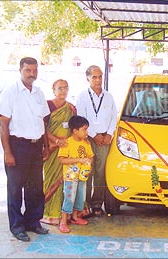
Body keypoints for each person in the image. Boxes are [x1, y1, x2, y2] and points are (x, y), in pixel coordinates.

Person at [0, 57, 50, 242]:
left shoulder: (38, 92)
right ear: (20, 70)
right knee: (15, 189)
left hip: (36, 146)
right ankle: (17, 226)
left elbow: (43, 120)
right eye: (28, 70)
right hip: (17, 146)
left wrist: (46, 145)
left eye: (35, 70)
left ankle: (33, 222)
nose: (32, 74)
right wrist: (7, 152)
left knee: (35, 187)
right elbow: (4, 124)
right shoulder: (10, 92)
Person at [76, 65, 117, 217]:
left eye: (100, 76)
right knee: (87, 172)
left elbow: (114, 116)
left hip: (105, 139)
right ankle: (84, 205)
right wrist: (94, 135)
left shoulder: (109, 96)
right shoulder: (82, 96)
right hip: (88, 139)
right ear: (88, 78)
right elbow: (81, 118)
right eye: (94, 77)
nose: (98, 80)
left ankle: (97, 204)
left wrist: (109, 135)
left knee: (101, 173)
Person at [41, 79, 77, 225]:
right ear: (53, 89)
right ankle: (49, 212)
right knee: (51, 178)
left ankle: (65, 214)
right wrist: (56, 141)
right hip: (51, 148)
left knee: (66, 180)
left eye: (65, 88)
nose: (63, 91)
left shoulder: (71, 108)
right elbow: (42, 127)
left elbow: (74, 127)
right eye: (60, 88)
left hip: (66, 149)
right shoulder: (47, 106)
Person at [58, 115, 94, 233]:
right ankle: (63, 221)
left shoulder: (86, 143)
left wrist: (88, 165)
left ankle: (75, 217)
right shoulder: (67, 143)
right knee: (69, 197)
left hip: (82, 176)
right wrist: (79, 160)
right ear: (75, 131)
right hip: (70, 177)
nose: (86, 132)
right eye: (84, 129)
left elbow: (91, 156)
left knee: (80, 196)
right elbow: (62, 160)